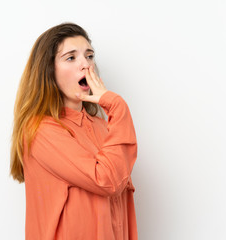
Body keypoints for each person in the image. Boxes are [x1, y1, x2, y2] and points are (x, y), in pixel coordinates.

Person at [10, 22, 138, 240]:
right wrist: (116, 105)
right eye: (71, 58)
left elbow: (119, 205)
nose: (86, 65)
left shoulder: (103, 126)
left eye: (89, 56)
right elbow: (106, 180)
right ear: (49, 71)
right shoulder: (41, 130)